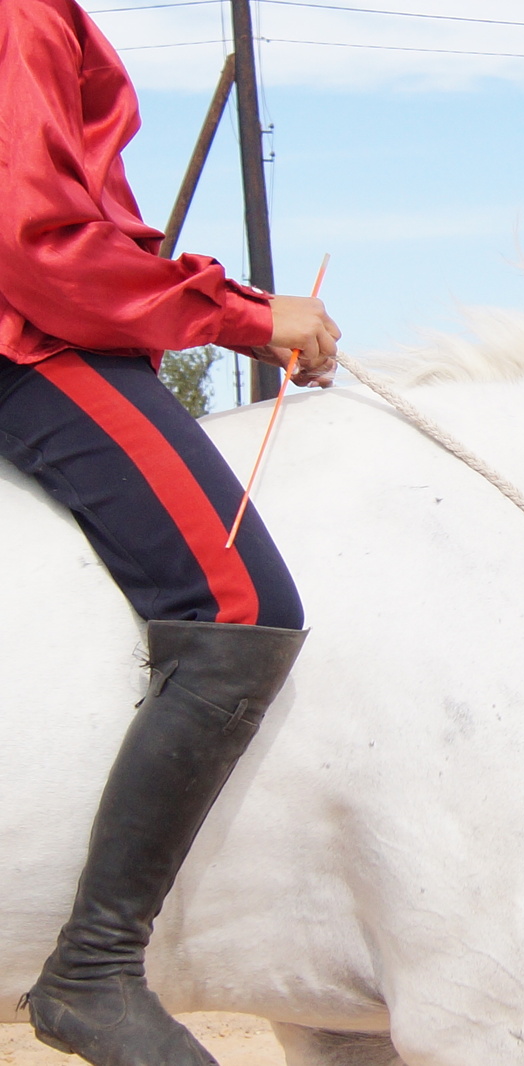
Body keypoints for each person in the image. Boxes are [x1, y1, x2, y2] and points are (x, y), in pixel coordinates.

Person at [1, 5, 343, 1065]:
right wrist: (240, 314)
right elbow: (35, 244)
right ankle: (94, 968)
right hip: (25, 337)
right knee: (239, 602)